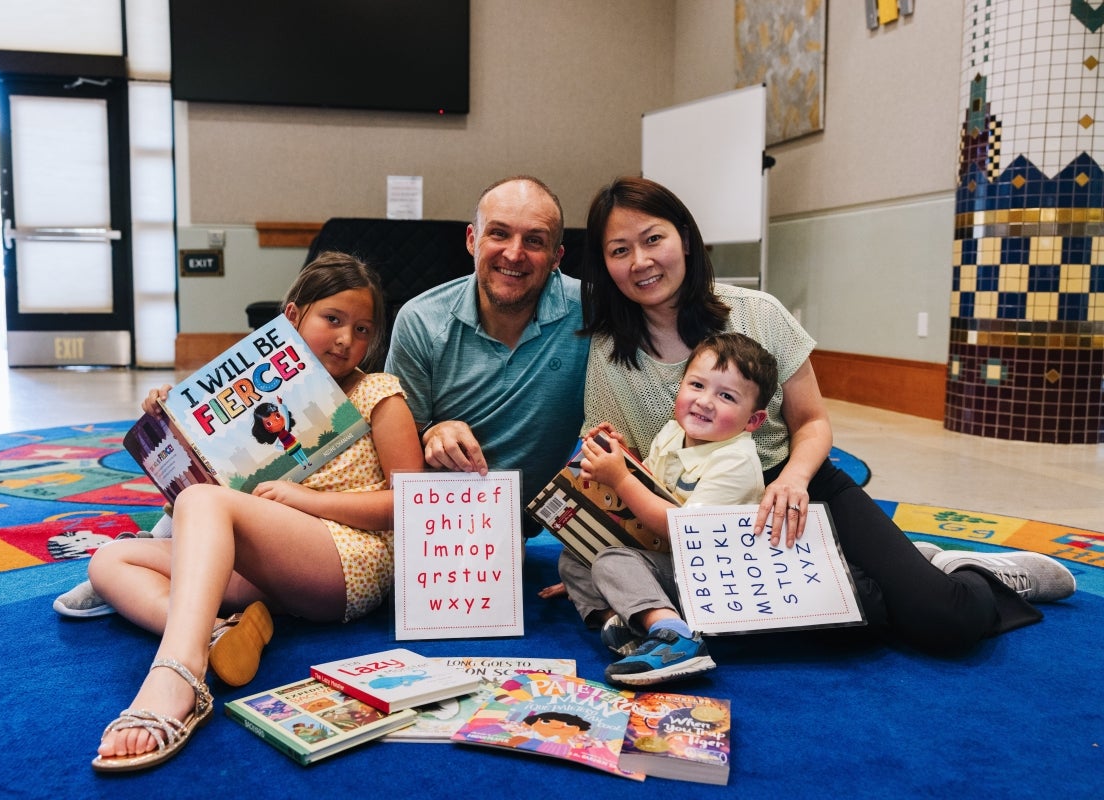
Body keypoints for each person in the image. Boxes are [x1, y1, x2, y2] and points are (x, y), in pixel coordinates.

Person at [562, 175, 1074, 657]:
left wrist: (793, 480)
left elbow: (812, 421)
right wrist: (606, 562)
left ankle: (975, 573)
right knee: (855, 614)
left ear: (686, 241)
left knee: (946, 621)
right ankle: (902, 563)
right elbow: (618, 467)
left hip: (797, 491)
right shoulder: (610, 351)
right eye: (619, 250)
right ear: (603, 264)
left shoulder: (757, 312)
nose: (641, 261)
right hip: (709, 520)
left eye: (653, 239)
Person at [87, 252, 424, 772]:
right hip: (269, 562)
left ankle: (178, 673)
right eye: (332, 319)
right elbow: (199, 501)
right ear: (292, 317)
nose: (346, 340)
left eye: (362, 329)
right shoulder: (250, 399)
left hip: (346, 558)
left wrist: (306, 501)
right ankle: (223, 635)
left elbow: (409, 504)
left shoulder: (379, 394)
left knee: (204, 503)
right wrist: (174, 432)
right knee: (109, 561)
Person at [562, 332, 779, 686]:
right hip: (665, 556)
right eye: (697, 385)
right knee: (575, 555)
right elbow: (649, 491)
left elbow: (682, 531)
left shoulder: (736, 460)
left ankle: (676, 638)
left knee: (614, 562)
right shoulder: (670, 432)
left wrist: (621, 480)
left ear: (753, 421)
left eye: (726, 396)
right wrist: (624, 460)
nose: (705, 402)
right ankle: (619, 622)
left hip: (707, 574)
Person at [384, 175, 589, 534]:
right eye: (498, 233)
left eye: (534, 240)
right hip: (443, 525)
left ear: (557, 257)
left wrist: (592, 549)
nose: (514, 253)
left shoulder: (593, 313)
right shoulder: (420, 321)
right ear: (471, 240)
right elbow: (391, 459)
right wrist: (432, 432)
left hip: (547, 525)